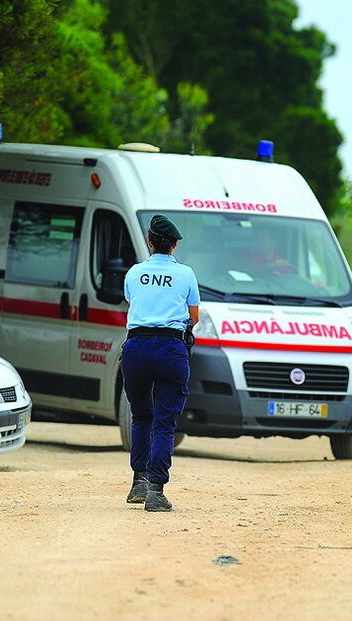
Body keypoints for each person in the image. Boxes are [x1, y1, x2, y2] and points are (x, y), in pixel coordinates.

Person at [122, 214, 201, 512]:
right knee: (165, 423)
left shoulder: (134, 272)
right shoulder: (186, 274)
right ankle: (156, 490)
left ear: (150, 241)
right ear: (175, 245)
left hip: (137, 346)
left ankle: (138, 482)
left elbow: (133, 302)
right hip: (170, 348)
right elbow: (194, 317)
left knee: (141, 416)